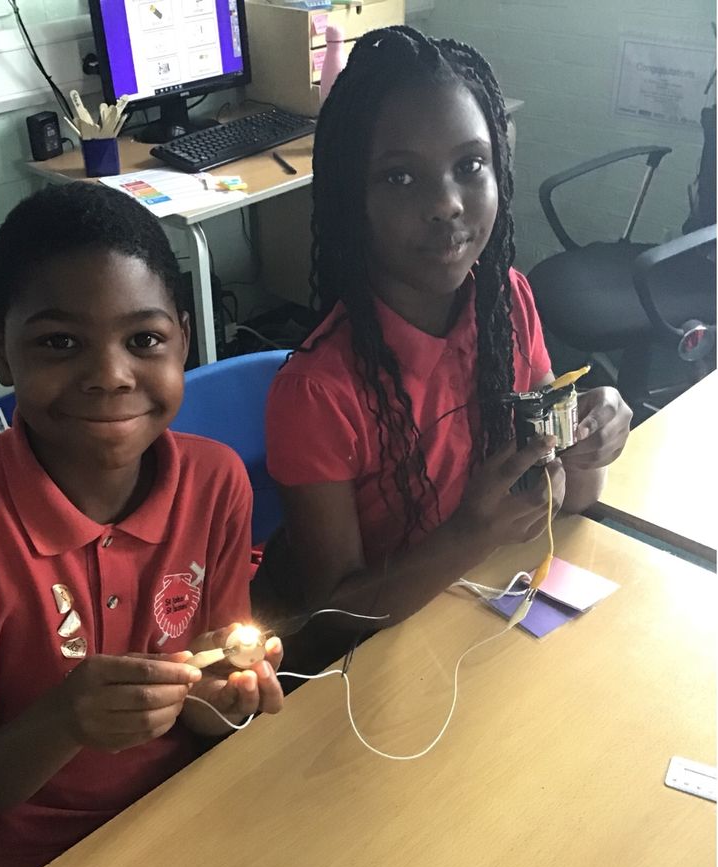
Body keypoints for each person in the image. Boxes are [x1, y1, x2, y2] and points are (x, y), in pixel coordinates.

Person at [0, 183, 283, 867]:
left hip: (191, 812)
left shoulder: (216, 482)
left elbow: (211, 702)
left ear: (182, 339)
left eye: (143, 340)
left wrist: (227, 696)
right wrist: (66, 720)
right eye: (59, 342)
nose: (110, 376)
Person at [259, 27, 631, 651]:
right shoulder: (317, 393)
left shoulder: (507, 301)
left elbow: (568, 498)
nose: (447, 204)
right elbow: (330, 618)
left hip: (480, 622)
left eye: (470, 166)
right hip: (381, 664)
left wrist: (593, 441)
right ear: (353, 198)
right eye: (400, 178)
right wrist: (469, 535)